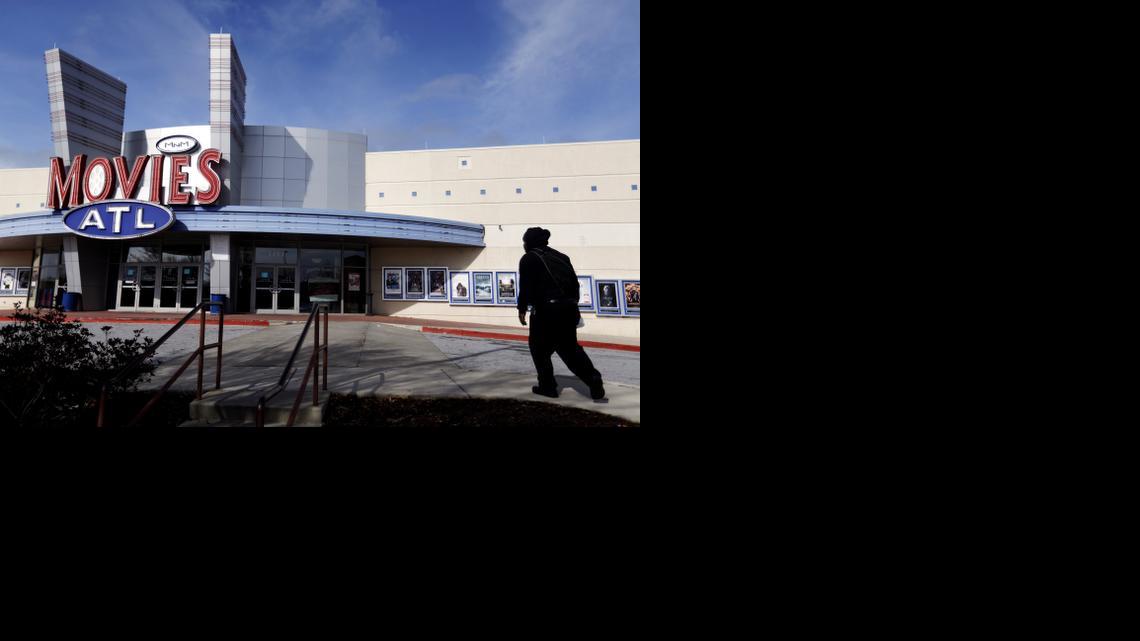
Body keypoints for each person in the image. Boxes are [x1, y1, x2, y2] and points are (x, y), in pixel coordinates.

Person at [517, 227, 605, 400]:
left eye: (525, 242)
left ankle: (548, 386)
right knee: (570, 349)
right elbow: (575, 285)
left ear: (530, 242)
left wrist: (521, 309)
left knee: (538, 349)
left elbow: (526, 286)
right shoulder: (562, 257)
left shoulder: (529, 259)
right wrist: (571, 306)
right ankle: (592, 378)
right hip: (568, 309)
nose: (524, 245)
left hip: (545, 312)